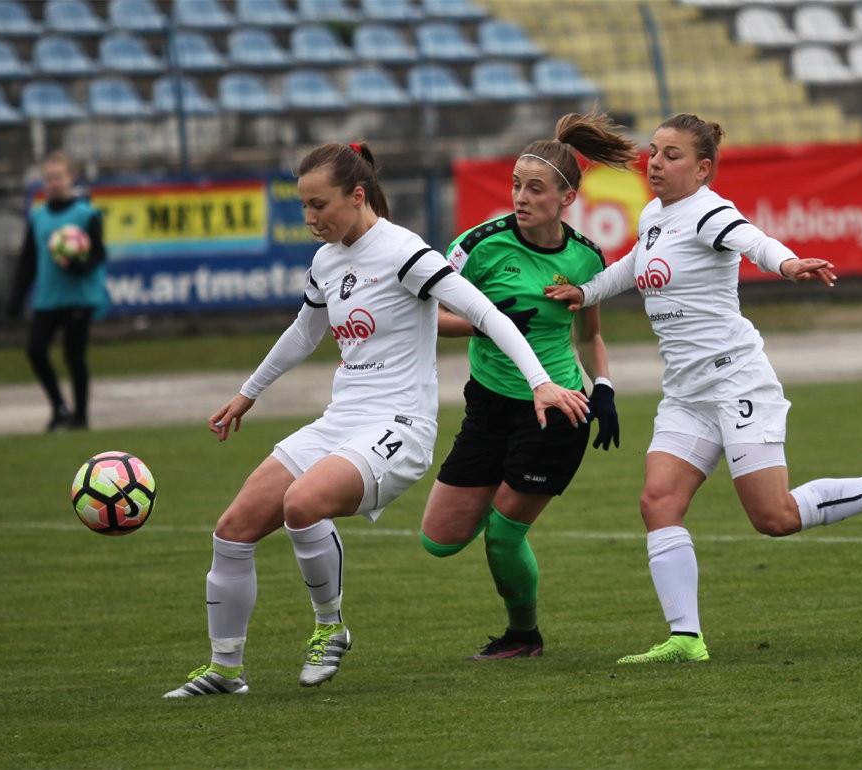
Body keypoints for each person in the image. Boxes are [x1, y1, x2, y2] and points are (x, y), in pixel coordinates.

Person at [163, 142, 589, 698]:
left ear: (357, 195)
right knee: (232, 529)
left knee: (302, 504)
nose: (311, 218)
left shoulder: (404, 253)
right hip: (341, 420)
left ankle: (330, 628)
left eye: (319, 205)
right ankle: (225, 671)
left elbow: (486, 313)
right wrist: (248, 394)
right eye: (304, 207)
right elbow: (303, 333)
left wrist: (539, 382)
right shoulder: (326, 261)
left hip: (400, 426)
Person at [544, 113, 862, 665]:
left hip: (736, 380)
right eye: (655, 152)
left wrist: (787, 263)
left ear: (703, 169)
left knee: (774, 518)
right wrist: (586, 291)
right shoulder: (653, 216)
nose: (656, 163)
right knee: (658, 502)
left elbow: (751, 240)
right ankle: (685, 639)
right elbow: (633, 265)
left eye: (671, 155)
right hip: (686, 394)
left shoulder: (709, 211)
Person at [420, 110, 638, 660]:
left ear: (567, 198)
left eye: (535, 188)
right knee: (438, 540)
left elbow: (590, 336)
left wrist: (604, 387)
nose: (520, 197)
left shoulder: (586, 256)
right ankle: (505, 490)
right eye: (516, 184)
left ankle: (524, 636)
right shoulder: (478, 246)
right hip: (488, 405)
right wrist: (486, 323)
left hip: (557, 410)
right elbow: (425, 317)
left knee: (503, 535)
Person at [8, 150, 107, 431]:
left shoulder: (86, 214)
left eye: (58, 177)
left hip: (79, 297)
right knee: (36, 350)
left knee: (74, 357)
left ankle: (81, 417)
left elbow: (98, 255)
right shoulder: (38, 216)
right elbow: (28, 260)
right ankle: (59, 407)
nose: (53, 182)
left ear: (71, 178)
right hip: (48, 299)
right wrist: (16, 298)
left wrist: (77, 264)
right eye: (49, 177)